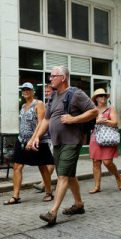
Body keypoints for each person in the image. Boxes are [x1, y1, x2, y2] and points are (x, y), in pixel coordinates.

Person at [34, 66, 97, 225]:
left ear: (63, 77)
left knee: (62, 175)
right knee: (69, 175)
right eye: (50, 76)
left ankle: (52, 212)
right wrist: (37, 137)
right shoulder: (53, 96)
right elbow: (46, 120)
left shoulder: (76, 93)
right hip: (57, 142)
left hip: (72, 141)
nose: (50, 79)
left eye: (54, 76)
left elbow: (94, 111)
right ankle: (78, 205)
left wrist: (73, 119)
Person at [3, 82, 55, 205]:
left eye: (28, 90)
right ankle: (16, 196)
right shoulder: (22, 106)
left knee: (42, 166)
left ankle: (48, 192)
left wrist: (33, 139)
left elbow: (41, 123)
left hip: (38, 141)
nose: (26, 92)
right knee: (17, 166)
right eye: (24, 90)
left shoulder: (39, 104)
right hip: (22, 141)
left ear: (33, 91)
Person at [88, 89, 121, 194]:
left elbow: (115, 123)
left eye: (104, 95)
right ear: (96, 98)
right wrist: (97, 121)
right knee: (95, 162)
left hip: (108, 138)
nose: (103, 97)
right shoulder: (92, 110)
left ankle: (117, 176)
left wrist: (104, 121)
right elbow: (88, 123)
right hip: (95, 136)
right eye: (100, 96)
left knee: (107, 162)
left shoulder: (110, 109)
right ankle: (97, 186)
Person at [33, 84, 56, 192]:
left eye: (48, 91)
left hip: (56, 136)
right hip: (48, 136)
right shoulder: (46, 105)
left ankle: (44, 184)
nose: (46, 93)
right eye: (45, 92)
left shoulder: (56, 103)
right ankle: (46, 183)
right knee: (50, 161)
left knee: (51, 161)